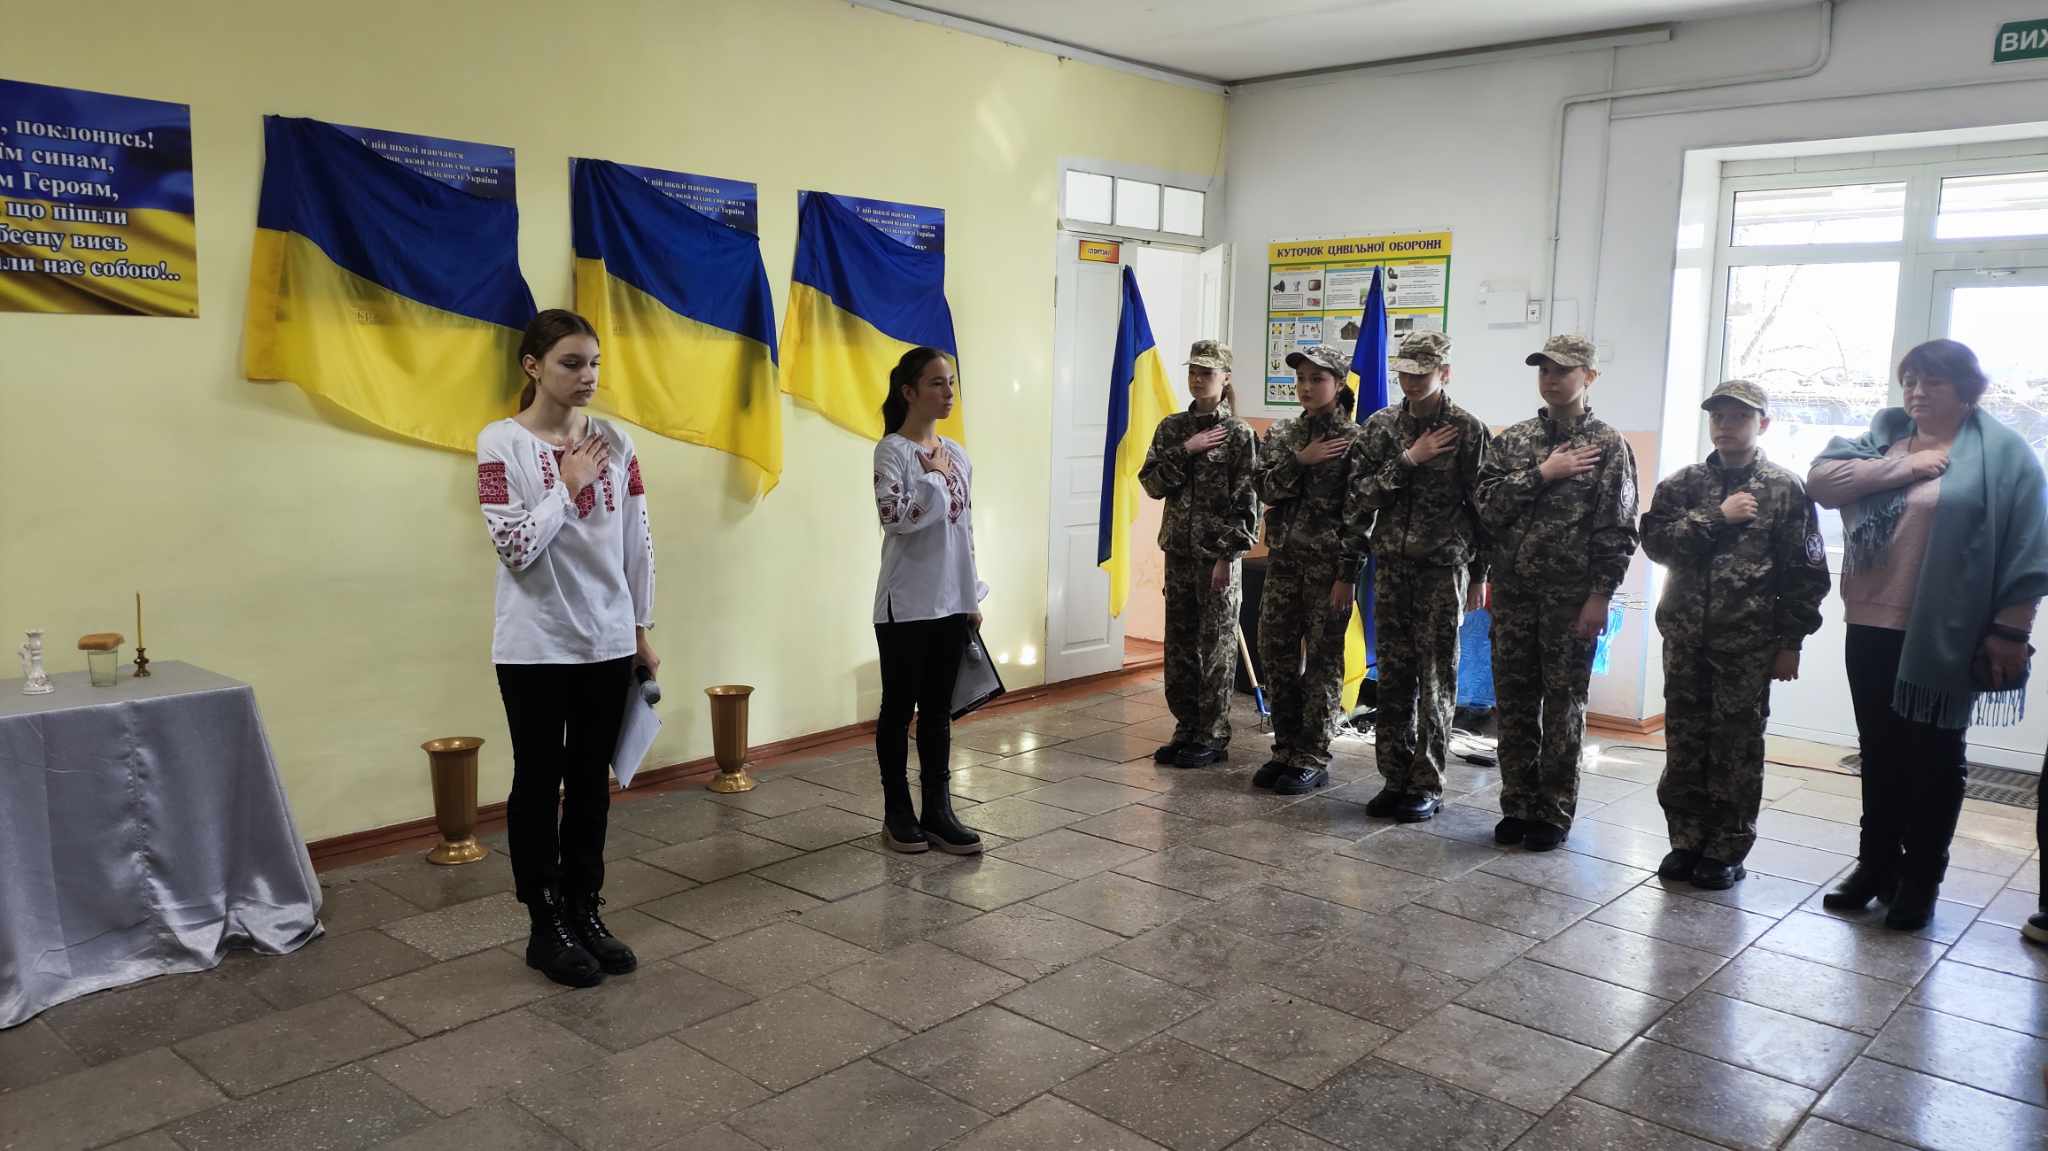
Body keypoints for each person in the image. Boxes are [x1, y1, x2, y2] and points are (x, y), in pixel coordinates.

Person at [1809, 339, 2048, 930]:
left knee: (1935, 760)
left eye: (1932, 382)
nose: (1916, 392)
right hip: (1870, 621)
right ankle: (1875, 868)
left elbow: (2028, 551)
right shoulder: (1883, 438)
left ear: (1966, 389)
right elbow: (1822, 483)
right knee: (1880, 752)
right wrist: (1906, 466)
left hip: (1946, 630)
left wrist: (2010, 631)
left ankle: (1920, 880)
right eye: (1910, 380)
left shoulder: (2004, 455)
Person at [477, 309, 656, 988]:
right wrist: (567, 484)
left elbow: (637, 538)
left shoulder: (618, 441)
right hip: (534, 645)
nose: (587, 377)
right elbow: (516, 546)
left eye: (594, 364)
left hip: (607, 639)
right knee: (538, 778)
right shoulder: (500, 444)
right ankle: (543, 920)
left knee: (590, 783)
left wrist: (641, 629)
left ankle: (585, 907)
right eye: (571, 363)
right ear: (532, 366)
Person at [1641, 380, 1830, 890]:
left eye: (1739, 418)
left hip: (1747, 645)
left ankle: (1726, 847)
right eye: (1718, 417)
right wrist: (1714, 518)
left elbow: (1805, 574)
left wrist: (1790, 642)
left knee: (1736, 747)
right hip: (1684, 638)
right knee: (1685, 743)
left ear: (1762, 424)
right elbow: (1656, 544)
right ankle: (1685, 839)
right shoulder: (1683, 485)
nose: (1726, 427)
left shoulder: (1784, 488)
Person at [1476, 334, 1639, 852]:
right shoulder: (1515, 440)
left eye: (1563, 371)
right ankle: (1518, 804)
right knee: (1516, 705)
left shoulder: (1609, 445)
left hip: (1571, 599)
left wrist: (1600, 596)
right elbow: (1486, 505)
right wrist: (1542, 474)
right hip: (1515, 595)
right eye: (1544, 369)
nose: (1551, 378)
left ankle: (1553, 810)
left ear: (1589, 377)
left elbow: (1618, 529)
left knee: (1564, 706)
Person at [1345, 331, 1490, 823]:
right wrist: (1409, 460)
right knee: (1395, 677)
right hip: (1392, 567)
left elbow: (1484, 507)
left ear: (1444, 374)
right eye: (1404, 372)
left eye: (1421, 373)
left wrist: (1479, 574)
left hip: (1443, 569)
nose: (1410, 381)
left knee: (1435, 679)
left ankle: (1426, 783)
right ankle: (1394, 776)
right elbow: (1360, 493)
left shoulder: (1468, 429)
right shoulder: (1382, 426)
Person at [872, 347, 986, 856]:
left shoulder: (957, 452)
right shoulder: (892, 451)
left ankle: (938, 810)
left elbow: (964, 528)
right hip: (905, 604)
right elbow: (896, 517)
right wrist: (934, 477)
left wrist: (971, 592)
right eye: (937, 383)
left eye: (952, 383)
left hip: (949, 601)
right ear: (910, 391)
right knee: (899, 708)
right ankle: (898, 811)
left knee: (938, 712)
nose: (948, 393)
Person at [1139, 340, 1259, 770]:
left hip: (1217, 558)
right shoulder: (1172, 428)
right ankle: (1186, 726)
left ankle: (1213, 732)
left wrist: (1229, 557)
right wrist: (1187, 450)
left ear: (1225, 378)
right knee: (1181, 645)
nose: (1198, 378)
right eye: (1193, 371)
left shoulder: (1240, 434)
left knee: (1217, 646)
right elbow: (1152, 484)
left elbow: (1247, 501)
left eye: (1207, 372)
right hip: (1179, 552)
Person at [1254, 344, 1367, 796]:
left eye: (1316, 380)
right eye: (1299, 380)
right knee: (1275, 653)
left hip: (1329, 568)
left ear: (1338, 385)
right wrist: (1301, 460)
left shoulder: (1357, 440)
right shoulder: (1284, 434)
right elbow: (1261, 486)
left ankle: (1313, 755)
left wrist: (1349, 573)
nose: (1305, 387)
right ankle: (1284, 748)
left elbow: (1362, 512)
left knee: (1323, 661)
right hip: (1283, 561)